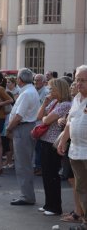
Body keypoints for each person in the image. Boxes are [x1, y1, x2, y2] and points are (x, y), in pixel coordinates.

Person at [57, 65, 87, 230]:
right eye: (77, 80)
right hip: (76, 151)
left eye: (83, 80)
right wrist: (63, 141)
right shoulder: (76, 99)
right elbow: (70, 121)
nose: (79, 84)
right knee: (82, 188)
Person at [36, 78, 71, 216]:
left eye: (52, 89)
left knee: (52, 174)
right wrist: (45, 102)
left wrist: (46, 117)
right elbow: (39, 116)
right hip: (46, 140)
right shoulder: (56, 102)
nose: (49, 91)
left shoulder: (65, 104)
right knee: (46, 174)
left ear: (59, 89)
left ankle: (55, 207)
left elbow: (46, 119)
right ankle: (48, 204)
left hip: (53, 142)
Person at [6, 68, 40, 206]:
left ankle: (27, 195)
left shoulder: (27, 93)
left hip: (23, 128)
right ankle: (26, 194)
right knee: (24, 163)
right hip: (26, 127)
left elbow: (19, 116)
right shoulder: (29, 91)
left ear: (20, 79)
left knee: (23, 164)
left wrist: (9, 128)